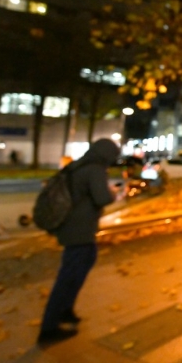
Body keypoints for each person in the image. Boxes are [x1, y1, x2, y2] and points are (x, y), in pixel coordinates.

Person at [37, 138, 120, 345]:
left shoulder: (78, 165)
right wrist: (113, 192)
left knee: (85, 261)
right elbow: (102, 198)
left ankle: (66, 310)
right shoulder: (95, 169)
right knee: (69, 275)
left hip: (73, 227)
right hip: (79, 230)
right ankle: (49, 327)